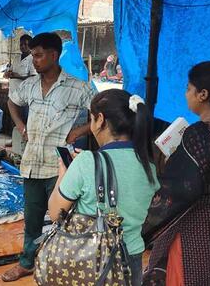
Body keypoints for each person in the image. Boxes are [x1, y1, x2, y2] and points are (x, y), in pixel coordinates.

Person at [1, 32, 96, 282]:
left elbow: (100, 113)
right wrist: (21, 127)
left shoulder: (78, 87)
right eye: (33, 55)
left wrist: (79, 130)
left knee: (64, 219)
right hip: (32, 164)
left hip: (59, 167)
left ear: (54, 55)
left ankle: (62, 265)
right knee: (32, 220)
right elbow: (11, 102)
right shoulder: (29, 85)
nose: (34, 60)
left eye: (39, 55)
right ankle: (26, 263)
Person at [47, 89, 160, 285]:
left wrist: (63, 175)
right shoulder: (149, 167)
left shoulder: (86, 162)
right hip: (131, 257)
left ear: (100, 120)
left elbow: (56, 213)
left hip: (91, 255)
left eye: (91, 119)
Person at [144, 61, 210, 285]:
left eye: (188, 88)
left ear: (203, 94)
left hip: (194, 234)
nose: (186, 93)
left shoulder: (201, 134)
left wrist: (145, 228)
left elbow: (180, 190)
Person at [4, 34, 37, 156]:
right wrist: (8, 73)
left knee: (23, 120)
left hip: (24, 97)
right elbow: (11, 71)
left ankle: (25, 144)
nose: (23, 46)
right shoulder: (17, 58)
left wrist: (17, 76)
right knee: (15, 119)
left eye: (26, 44)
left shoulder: (32, 59)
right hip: (13, 94)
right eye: (21, 44)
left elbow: (34, 77)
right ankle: (15, 140)